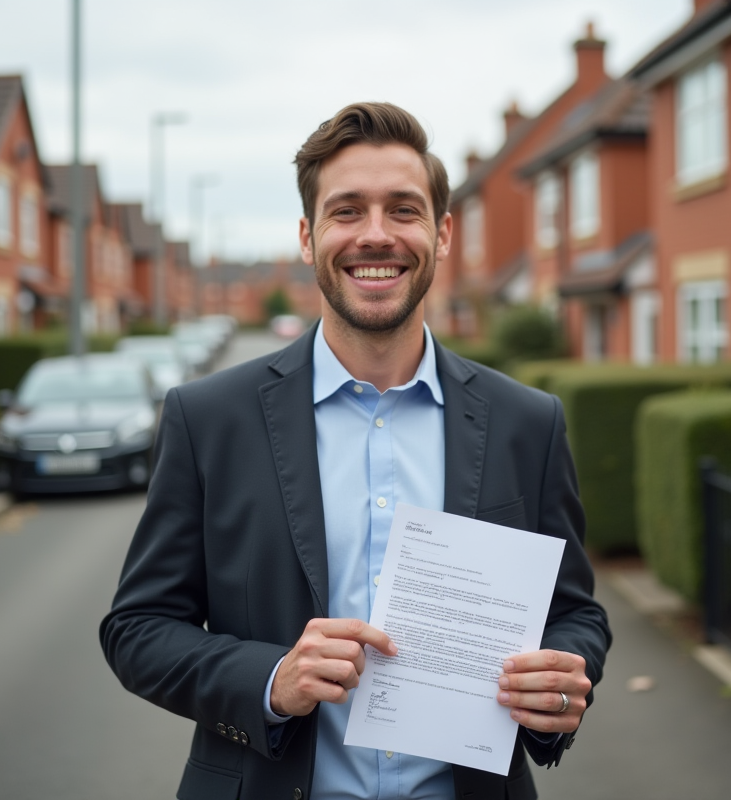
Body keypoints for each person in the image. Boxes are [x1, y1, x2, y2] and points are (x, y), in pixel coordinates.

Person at [100, 102, 612, 800]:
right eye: (347, 212)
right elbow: (138, 629)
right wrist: (273, 680)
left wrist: (560, 685)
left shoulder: (528, 422)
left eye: (404, 210)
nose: (377, 236)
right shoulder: (208, 418)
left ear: (442, 233)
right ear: (309, 238)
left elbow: (576, 614)